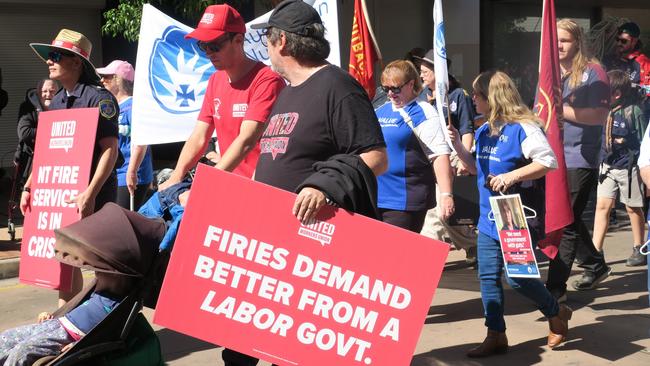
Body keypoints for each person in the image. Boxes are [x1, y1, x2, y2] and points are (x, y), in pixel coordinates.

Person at [218, 1, 387, 364]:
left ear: (281, 42)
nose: (264, 49)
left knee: (289, 356)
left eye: (267, 40)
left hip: (307, 252)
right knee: (237, 350)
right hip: (268, 246)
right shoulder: (288, 91)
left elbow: (374, 157)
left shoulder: (338, 86)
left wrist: (323, 185)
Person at [450, 70, 571, 357]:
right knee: (487, 276)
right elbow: (474, 166)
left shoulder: (523, 127)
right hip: (487, 215)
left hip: (512, 215)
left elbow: (548, 160)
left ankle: (556, 312)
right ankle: (496, 334)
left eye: (477, 95)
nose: (473, 99)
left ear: (491, 97)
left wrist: (513, 176)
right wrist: (458, 147)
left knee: (517, 278)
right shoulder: (483, 129)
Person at [21, 29, 120, 307]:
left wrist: (90, 193)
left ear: (77, 62)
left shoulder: (99, 98)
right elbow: (46, 154)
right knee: (65, 258)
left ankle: (104, 319)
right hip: (64, 194)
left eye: (55, 56)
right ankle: (66, 319)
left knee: (99, 261)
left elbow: (110, 149)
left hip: (94, 193)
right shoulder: (57, 103)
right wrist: (29, 187)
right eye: (48, 56)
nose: (48, 61)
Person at [157, 4, 285, 194]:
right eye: (203, 46)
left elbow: (246, 141)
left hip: (259, 188)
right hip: (228, 184)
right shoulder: (215, 80)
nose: (208, 52)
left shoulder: (267, 80)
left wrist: (206, 184)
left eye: (215, 45)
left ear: (238, 40)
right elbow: (199, 137)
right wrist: (176, 176)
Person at [545, 19, 612, 300]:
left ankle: (555, 288)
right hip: (552, 154)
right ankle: (595, 264)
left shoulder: (594, 73)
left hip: (580, 157)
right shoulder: (549, 72)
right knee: (568, 217)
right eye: (555, 40)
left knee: (564, 222)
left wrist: (561, 111)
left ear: (578, 42)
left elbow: (598, 116)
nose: (559, 45)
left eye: (565, 40)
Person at [374, 60, 453, 232]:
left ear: (411, 84)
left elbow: (440, 155)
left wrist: (446, 195)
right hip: (376, 196)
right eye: (385, 88)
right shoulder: (380, 110)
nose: (390, 94)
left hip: (405, 200)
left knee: (395, 255)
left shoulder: (423, 112)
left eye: (395, 88)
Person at [415, 49, 478, 264]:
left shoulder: (458, 95)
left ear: (438, 71)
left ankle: (424, 258)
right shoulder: (421, 96)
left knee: (438, 211)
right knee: (445, 210)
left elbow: (467, 129)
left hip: (451, 156)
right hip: (429, 158)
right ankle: (473, 244)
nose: (421, 75)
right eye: (420, 71)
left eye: (425, 71)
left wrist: (464, 158)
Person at [591, 70, 647, 266]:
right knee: (602, 206)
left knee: (632, 208)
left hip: (629, 168)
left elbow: (644, 143)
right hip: (607, 166)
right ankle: (595, 252)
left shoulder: (634, 112)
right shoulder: (601, 110)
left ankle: (638, 247)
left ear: (617, 94)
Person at [96, 60, 154, 211]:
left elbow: (141, 141)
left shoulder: (135, 106)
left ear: (118, 78)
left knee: (122, 220)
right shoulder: (112, 107)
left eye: (107, 76)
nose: (102, 80)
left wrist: (132, 170)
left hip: (130, 174)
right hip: (116, 173)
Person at [14, 78, 60, 181]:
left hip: (55, 163)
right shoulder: (28, 108)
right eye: (44, 91)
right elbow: (25, 133)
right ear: (39, 93)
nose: (48, 94)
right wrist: (54, 130)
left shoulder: (63, 107)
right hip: (31, 162)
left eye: (52, 91)